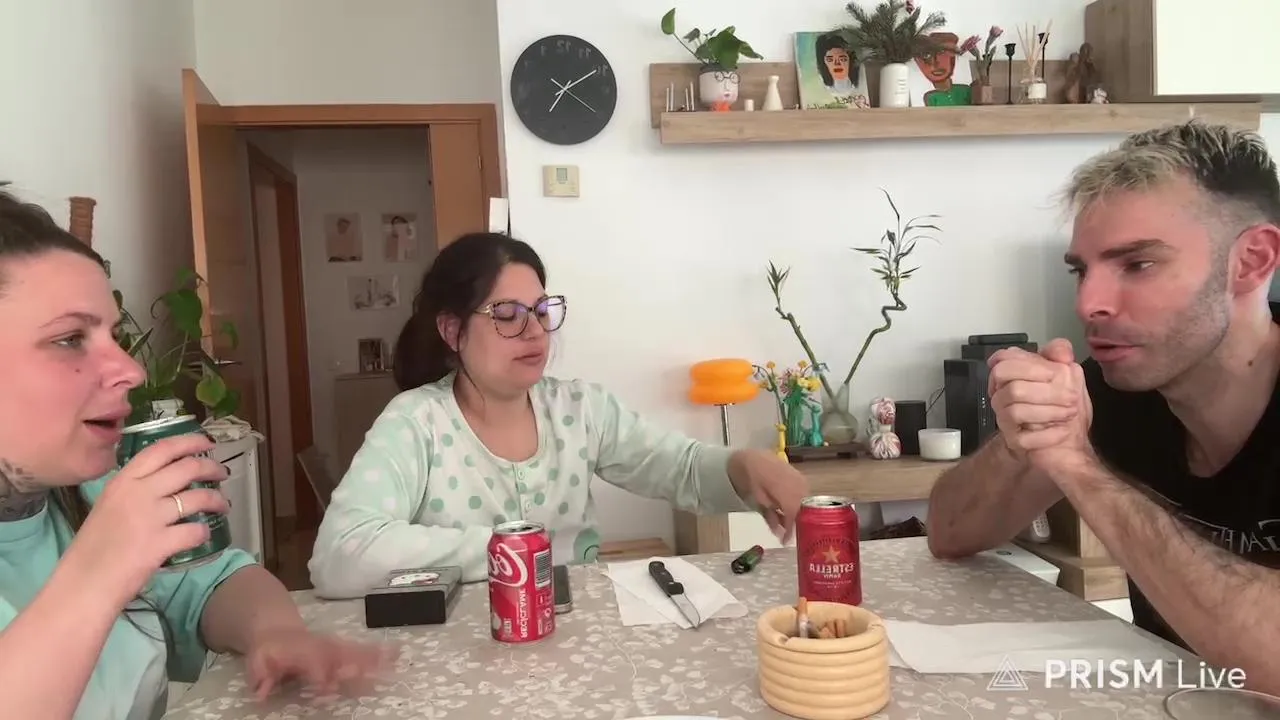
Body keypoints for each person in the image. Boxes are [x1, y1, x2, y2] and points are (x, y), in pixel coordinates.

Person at [0, 185, 389, 719]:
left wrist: (275, 634)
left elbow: (214, 581)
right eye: (69, 339)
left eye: (114, 336)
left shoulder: (86, 493)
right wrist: (98, 570)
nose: (131, 370)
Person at [926, 121, 1280, 695]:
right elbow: (949, 533)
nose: (1088, 303)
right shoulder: (1114, 389)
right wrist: (1022, 442)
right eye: (1081, 271)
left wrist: (1079, 468)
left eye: (1138, 264)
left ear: (1252, 261)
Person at [309, 232, 811, 598]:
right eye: (507, 315)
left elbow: (679, 468)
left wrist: (741, 466)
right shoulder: (416, 423)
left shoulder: (579, 409)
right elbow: (340, 555)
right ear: (452, 330)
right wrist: (512, 550)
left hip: (576, 641)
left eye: (541, 310)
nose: (534, 331)